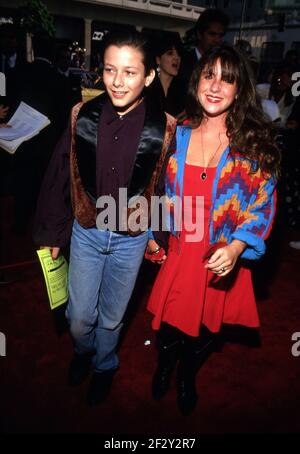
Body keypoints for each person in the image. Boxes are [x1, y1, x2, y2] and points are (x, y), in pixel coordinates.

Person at [33, 31, 176, 407]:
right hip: (88, 231)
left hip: (131, 237)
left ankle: (104, 365)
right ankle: (83, 351)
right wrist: (53, 230)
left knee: (112, 318)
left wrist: (156, 234)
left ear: (147, 77)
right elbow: (61, 173)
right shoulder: (83, 115)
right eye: (110, 69)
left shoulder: (165, 127)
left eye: (130, 72)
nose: (117, 81)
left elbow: (163, 185)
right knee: (79, 317)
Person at [146, 44, 280, 415]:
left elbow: (262, 205)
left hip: (219, 254)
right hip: (180, 249)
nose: (216, 86)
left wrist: (237, 247)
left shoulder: (255, 145)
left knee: (206, 330)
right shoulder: (178, 132)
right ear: (197, 80)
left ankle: (187, 375)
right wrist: (153, 234)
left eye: (228, 79)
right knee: (170, 327)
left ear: (240, 90)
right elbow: (157, 188)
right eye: (209, 75)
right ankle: (165, 365)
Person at [180, 8, 229, 83]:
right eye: (212, 34)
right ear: (199, 34)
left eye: (220, 36)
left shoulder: (224, 66)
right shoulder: (181, 63)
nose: (217, 40)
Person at [147, 34, 187, 118]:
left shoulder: (184, 89)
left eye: (178, 54)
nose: (176, 58)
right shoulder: (147, 87)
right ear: (158, 60)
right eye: (170, 53)